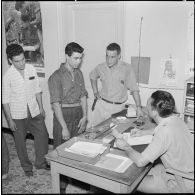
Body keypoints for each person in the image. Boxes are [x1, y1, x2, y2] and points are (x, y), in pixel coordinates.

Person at [114, 90, 194, 193]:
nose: (146, 107)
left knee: (126, 183)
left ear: (154, 112)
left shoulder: (163, 132)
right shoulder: (176, 119)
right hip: (187, 172)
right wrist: (143, 133)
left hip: (181, 181)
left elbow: (140, 161)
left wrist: (126, 146)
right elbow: (165, 129)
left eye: (147, 104)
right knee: (146, 171)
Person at [2, 44, 50, 177]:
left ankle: (40, 162)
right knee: (20, 142)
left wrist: (41, 107)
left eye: (23, 59)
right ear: (10, 60)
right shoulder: (7, 77)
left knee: (43, 135)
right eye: (17, 61)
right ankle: (26, 166)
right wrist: (10, 120)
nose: (21, 63)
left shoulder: (30, 68)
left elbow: (37, 90)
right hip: (17, 114)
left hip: (34, 109)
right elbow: (5, 101)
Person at [48, 42, 88, 193]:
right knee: (62, 152)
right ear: (67, 56)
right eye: (76, 58)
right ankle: (62, 186)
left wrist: (85, 116)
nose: (79, 61)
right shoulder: (55, 77)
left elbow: (83, 95)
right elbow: (56, 103)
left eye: (80, 58)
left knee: (78, 150)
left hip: (78, 113)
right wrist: (64, 127)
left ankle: (78, 181)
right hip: (63, 116)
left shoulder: (79, 73)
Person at [89, 43, 144, 126]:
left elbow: (134, 89)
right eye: (107, 56)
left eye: (112, 57)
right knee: (95, 132)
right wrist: (95, 92)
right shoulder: (101, 67)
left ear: (119, 56)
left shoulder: (127, 68)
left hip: (116, 108)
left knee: (112, 134)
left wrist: (139, 107)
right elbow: (92, 76)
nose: (108, 60)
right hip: (101, 105)